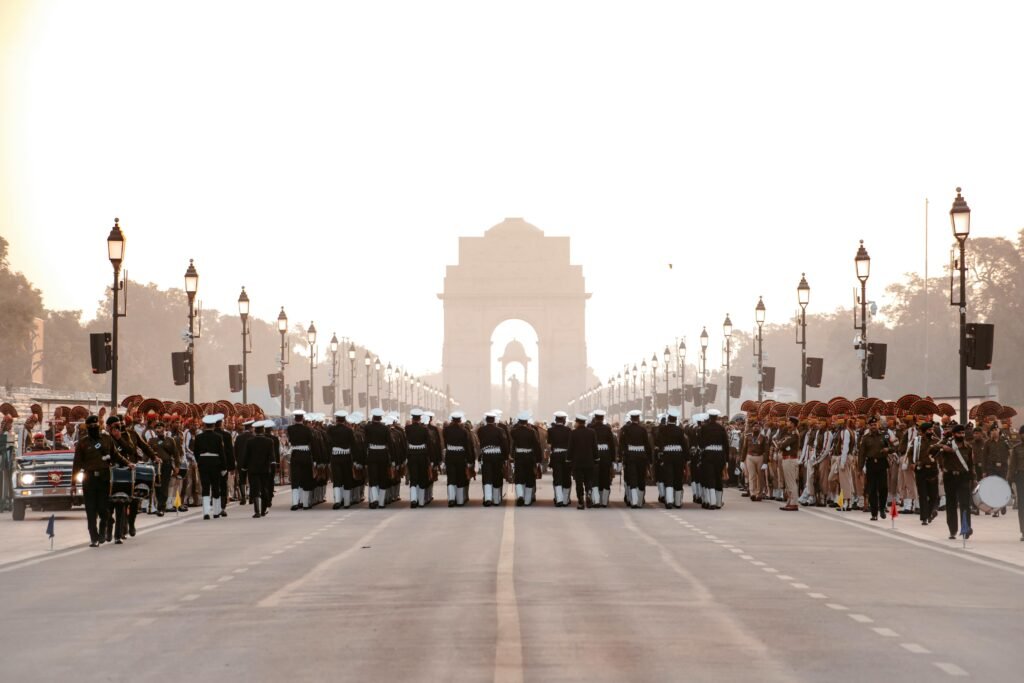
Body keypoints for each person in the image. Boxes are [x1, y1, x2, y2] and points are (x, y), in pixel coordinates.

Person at [72, 415, 129, 547]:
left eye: (95, 426)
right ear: (87, 428)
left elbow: (115, 455)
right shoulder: (83, 443)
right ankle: (94, 537)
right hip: (89, 478)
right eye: (91, 427)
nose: (93, 428)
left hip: (104, 478)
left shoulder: (106, 439)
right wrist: (73, 484)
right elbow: (76, 464)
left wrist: (128, 463)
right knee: (90, 510)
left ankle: (103, 530)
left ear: (99, 426)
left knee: (103, 509)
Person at [938, 424, 976, 540]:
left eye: (963, 433)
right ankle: (952, 530)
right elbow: (932, 448)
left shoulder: (968, 447)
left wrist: (973, 478)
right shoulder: (947, 444)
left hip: (963, 477)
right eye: (959, 433)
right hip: (950, 477)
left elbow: (970, 465)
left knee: (965, 504)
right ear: (954, 434)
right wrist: (943, 447)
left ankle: (966, 528)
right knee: (951, 504)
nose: (961, 435)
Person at [195, 414, 227, 520]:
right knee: (215, 486)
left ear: (204, 425)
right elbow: (222, 453)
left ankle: (206, 512)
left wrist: (199, 461)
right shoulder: (218, 437)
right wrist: (224, 467)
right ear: (213, 425)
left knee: (205, 487)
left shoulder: (198, 437)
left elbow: (196, 452)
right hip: (215, 463)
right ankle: (216, 511)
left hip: (203, 462)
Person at [857, 416, 889, 520]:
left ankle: (883, 508)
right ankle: (874, 513)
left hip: (882, 464)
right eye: (871, 425)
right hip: (871, 464)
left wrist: (888, 449)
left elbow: (895, 445)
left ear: (878, 425)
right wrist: (859, 468)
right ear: (869, 426)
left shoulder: (885, 435)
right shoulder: (865, 438)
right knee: (872, 489)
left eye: (875, 425)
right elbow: (861, 454)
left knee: (883, 488)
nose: (873, 426)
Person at [656, 408, 689, 509]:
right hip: (678, 456)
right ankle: (678, 502)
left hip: (667, 455)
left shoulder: (662, 429)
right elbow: (684, 445)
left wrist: (660, 455)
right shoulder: (680, 430)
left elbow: (659, 443)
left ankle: (669, 501)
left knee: (668, 478)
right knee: (678, 478)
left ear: (668, 419)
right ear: (675, 420)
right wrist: (687, 458)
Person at [148, 420, 182, 516]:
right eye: (157, 428)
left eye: (161, 428)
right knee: (157, 486)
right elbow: (147, 454)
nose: (159, 429)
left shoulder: (170, 440)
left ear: (164, 429)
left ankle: (162, 507)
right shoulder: (151, 441)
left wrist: (177, 466)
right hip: (155, 466)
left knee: (164, 486)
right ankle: (159, 504)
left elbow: (176, 454)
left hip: (167, 465)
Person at [619, 410, 651, 509]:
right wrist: (649, 459)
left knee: (632, 478)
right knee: (641, 478)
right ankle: (640, 501)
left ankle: (634, 501)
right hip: (642, 456)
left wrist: (622, 456)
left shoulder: (626, 429)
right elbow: (647, 445)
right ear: (638, 418)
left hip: (630, 456)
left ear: (631, 419)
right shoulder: (643, 430)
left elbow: (622, 444)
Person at [699, 409, 730, 510]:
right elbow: (726, 444)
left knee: (710, 478)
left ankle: (711, 502)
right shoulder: (721, 428)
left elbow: (700, 443)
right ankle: (718, 502)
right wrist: (727, 460)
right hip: (719, 455)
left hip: (708, 455)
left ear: (709, 417)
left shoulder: (704, 428)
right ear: (716, 418)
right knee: (718, 477)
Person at [476, 411, 509, 507]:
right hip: (497, 456)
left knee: (487, 477)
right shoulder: (500, 430)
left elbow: (480, 442)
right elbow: (504, 444)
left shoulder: (481, 430)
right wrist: (506, 456)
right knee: (497, 476)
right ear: (494, 420)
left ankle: (487, 499)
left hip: (486, 455)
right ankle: (496, 499)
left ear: (486, 420)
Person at [511, 412, 542, 506]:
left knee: (519, 477)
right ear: (527, 421)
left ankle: (520, 495)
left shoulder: (514, 431)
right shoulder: (532, 431)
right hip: (529, 457)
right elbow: (537, 446)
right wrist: (538, 460)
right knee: (530, 477)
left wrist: (511, 456)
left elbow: (512, 445)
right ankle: (527, 500)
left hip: (519, 456)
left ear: (519, 421)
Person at [245, 420, 274, 517]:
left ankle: (256, 511)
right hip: (265, 469)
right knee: (264, 488)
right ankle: (263, 509)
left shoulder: (250, 441)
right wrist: (272, 466)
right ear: (263, 430)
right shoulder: (269, 441)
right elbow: (271, 456)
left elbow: (246, 456)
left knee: (255, 489)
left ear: (255, 431)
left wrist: (244, 467)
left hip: (253, 469)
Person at [443, 412, 473, 507]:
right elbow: (467, 446)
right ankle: (460, 500)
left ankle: (451, 499)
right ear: (460, 420)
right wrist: (469, 460)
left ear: (452, 420)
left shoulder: (446, 430)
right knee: (460, 477)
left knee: (451, 478)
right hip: (461, 456)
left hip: (450, 455)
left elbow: (445, 444)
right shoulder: (464, 431)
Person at [568, 414, 598, 510]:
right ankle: (588, 494)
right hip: (589, 461)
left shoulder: (573, 433)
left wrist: (568, 459)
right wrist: (596, 458)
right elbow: (594, 447)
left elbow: (570, 448)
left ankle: (581, 502)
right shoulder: (592, 432)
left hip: (577, 462)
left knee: (579, 483)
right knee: (588, 480)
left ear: (577, 422)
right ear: (584, 423)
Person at [287, 410, 315, 510]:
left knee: (295, 479)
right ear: (302, 419)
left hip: (295, 454)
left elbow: (290, 440)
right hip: (305, 454)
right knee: (306, 478)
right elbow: (311, 441)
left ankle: (295, 503)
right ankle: (306, 503)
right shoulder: (307, 429)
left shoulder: (290, 428)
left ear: (295, 419)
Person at [405, 409, 432, 508]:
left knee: (413, 478)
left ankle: (413, 500)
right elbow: (428, 443)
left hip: (412, 455)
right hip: (422, 455)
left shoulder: (407, 428)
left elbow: (406, 442)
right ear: (420, 418)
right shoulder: (424, 429)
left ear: (412, 418)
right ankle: (421, 501)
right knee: (422, 478)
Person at [591, 410, 616, 508]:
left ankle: (596, 500)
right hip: (606, 455)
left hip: (594, 455)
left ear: (595, 417)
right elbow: (612, 445)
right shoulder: (607, 429)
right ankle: (604, 501)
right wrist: (613, 459)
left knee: (595, 478)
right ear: (602, 418)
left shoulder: (591, 428)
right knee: (605, 478)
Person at [547, 411, 572, 507]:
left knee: (557, 477)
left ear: (555, 420)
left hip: (556, 455)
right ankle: (566, 500)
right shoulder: (569, 430)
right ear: (564, 420)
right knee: (566, 477)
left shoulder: (550, 430)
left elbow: (549, 444)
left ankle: (559, 499)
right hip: (566, 455)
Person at [776, 416, 801, 512]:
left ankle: (794, 503)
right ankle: (790, 501)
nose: (787, 423)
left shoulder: (794, 434)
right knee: (789, 482)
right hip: (787, 459)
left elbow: (782, 444)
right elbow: (781, 442)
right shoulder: (790, 433)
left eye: (789, 422)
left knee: (791, 482)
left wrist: (780, 444)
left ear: (793, 424)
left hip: (790, 459)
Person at [1006, 426, 1024, 541]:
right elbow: (1012, 466)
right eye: (1023, 433)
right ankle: (1023, 531)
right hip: (1021, 477)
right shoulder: (1016, 448)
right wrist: (1009, 480)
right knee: (1022, 505)